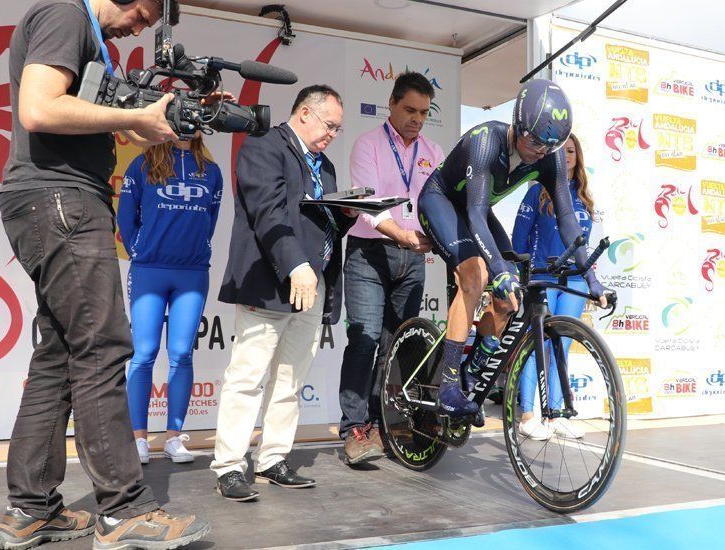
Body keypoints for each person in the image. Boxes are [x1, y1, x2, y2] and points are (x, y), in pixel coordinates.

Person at [0, 1, 211, 549]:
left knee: (60, 356)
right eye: (146, 10)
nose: (143, 25)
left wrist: (161, 121)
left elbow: (99, 125)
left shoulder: (80, 30)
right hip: (61, 198)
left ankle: (29, 508)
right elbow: (40, 109)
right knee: (100, 349)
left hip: (49, 198)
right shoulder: (67, 15)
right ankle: (124, 512)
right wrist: (132, 118)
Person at [418, 78, 613, 419]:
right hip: (442, 201)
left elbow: (568, 218)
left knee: (509, 299)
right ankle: (448, 385)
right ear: (518, 124)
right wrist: (496, 271)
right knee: (476, 276)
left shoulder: (548, 156)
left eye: (551, 146)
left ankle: (470, 375)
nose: (541, 151)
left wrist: (590, 277)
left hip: (475, 210)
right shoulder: (486, 141)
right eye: (536, 141)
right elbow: (477, 213)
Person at [212, 85, 358, 501]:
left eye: (338, 129)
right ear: (305, 113)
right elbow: (268, 212)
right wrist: (297, 265)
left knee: (291, 378)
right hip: (271, 279)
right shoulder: (263, 146)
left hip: (313, 284)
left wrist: (345, 215)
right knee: (247, 377)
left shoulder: (324, 166)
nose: (332, 134)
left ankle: (273, 457)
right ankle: (229, 465)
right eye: (330, 125)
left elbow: (318, 223)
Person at [338, 72, 444, 464]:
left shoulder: (434, 151)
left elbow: (440, 205)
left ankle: (386, 427)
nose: (416, 118)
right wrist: (403, 234)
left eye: (423, 112)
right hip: (370, 254)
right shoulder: (368, 145)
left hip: (414, 258)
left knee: (396, 349)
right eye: (409, 110)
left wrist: (439, 238)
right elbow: (369, 207)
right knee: (364, 342)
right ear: (392, 105)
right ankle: (353, 430)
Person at [117, 134, 223, 464]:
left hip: (191, 272)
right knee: (144, 352)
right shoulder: (143, 164)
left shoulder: (211, 171)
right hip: (150, 270)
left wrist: (193, 251)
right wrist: (141, 251)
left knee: (180, 353)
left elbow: (211, 220)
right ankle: (138, 439)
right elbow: (125, 217)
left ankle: (174, 438)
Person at [511, 134, 594, 440]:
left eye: (572, 151)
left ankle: (556, 415)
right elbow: (519, 237)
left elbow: (582, 245)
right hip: (543, 277)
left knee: (562, 347)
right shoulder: (537, 192)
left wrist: (589, 280)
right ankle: (528, 415)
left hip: (572, 280)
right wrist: (520, 275)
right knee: (540, 346)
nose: (567, 156)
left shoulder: (584, 196)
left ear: (578, 156)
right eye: (562, 151)